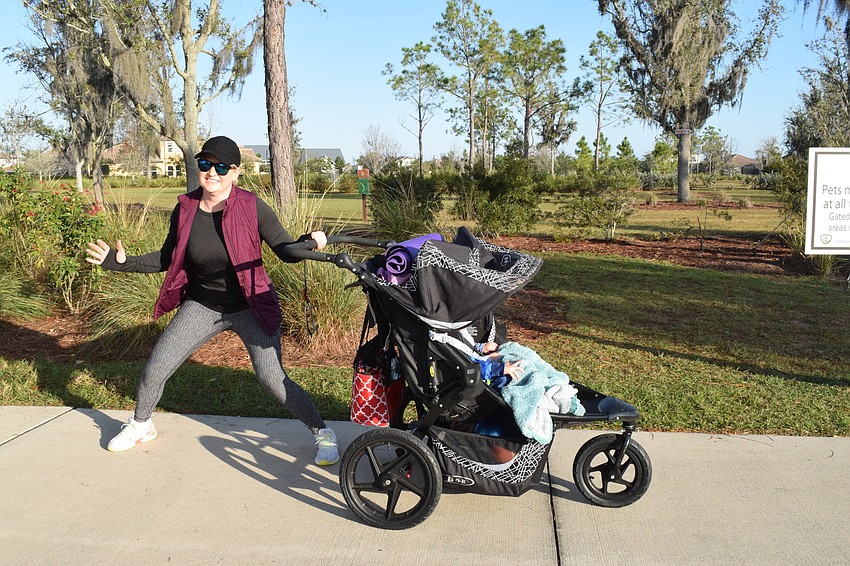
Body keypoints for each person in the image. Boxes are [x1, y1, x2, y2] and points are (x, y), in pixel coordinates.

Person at [85, 135, 339, 466]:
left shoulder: (252, 206)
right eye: (205, 164)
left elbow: (285, 250)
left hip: (250, 305)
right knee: (157, 366)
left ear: (235, 172)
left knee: (272, 379)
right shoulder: (186, 208)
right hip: (203, 305)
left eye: (221, 167)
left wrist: (310, 242)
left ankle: (322, 432)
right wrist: (121, 262)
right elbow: (167, 257)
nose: (212, 173)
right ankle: (141, 425)